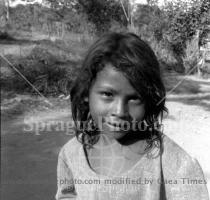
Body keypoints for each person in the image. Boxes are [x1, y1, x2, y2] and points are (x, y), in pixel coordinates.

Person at [55, 32, 209, 200]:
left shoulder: (173, 162)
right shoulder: (71, 154)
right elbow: (67, 194)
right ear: (86, 92)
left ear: (150, 101)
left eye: (135, 98)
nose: (120, 111)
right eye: (107, 94)